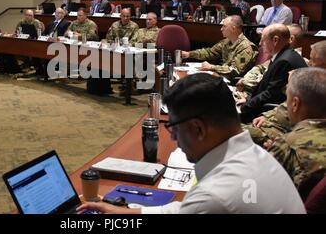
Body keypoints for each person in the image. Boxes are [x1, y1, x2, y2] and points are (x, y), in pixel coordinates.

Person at [78, 74, 306, 214]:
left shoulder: (216, 196)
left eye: (174, 127)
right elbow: (189, 209)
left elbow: (203, 205)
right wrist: (121, 212)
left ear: (198, 128)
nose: (174, 138)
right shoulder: (256, 155)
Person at [243, 40, 326, 147]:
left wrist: (279, 142)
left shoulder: (318, 87)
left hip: (288, 134)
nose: (309, 63)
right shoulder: (312, 79)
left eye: (313, 60)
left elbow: (309, 127)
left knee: (232, 131)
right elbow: (287, 105)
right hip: (272, 124)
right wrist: (267, 116)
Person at [265, 67, 326, 200]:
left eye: (287, 96)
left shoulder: (287, 145)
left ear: (295, 103)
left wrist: (273, 150)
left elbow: (259, 191)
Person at [238, 24, 307, 123]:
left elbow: (271, 95)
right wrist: (248, 99)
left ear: (275, 40)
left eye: (263, 39)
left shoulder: (284, 61)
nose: (260, 43)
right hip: (264, 107)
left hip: (268, 114)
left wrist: (245, 107)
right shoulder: (284, 55)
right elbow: (267, 87)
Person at [181, 16, 258, 79]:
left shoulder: (245, 47)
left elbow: (235, 70)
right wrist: (189, 54)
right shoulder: (227, 41)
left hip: (234, 83)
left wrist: (211, 67)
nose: (221, 29)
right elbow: (210, 52)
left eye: (224, 26)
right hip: (222, 77)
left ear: (233, 28)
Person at [237, 24, 306, 93]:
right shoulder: (280, 55)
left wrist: (245, 82)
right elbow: (260, 68)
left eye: (286, 34)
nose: (260, 43)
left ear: (291, 39)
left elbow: (270, 91)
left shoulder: (287, 59)